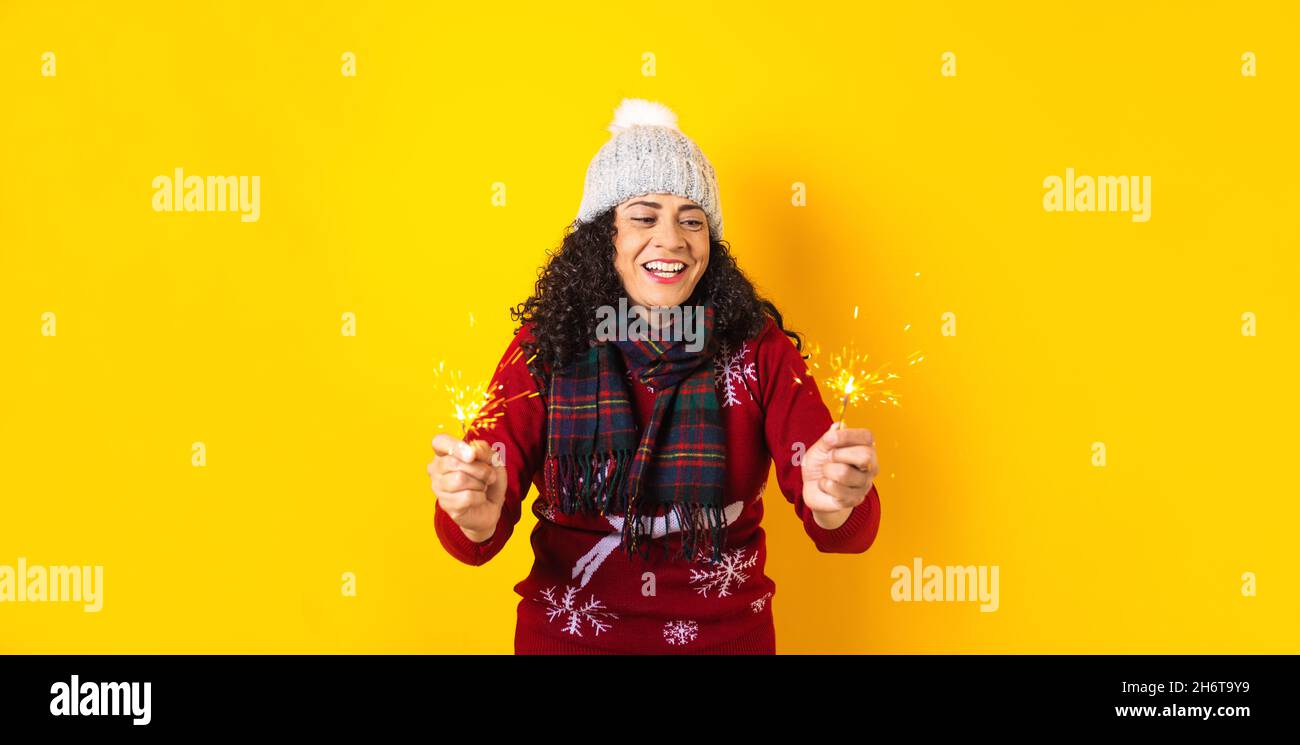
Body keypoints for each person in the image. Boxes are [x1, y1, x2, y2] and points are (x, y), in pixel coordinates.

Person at [428, 98, 881, 653]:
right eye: (644, 216)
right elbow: (473, 539)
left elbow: (847, 531)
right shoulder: (541, 350)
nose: (671, 240)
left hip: (726, 641)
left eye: (692, 220)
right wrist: (474, 511)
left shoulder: (757, 349)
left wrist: (835, 500)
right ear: (603, 237)